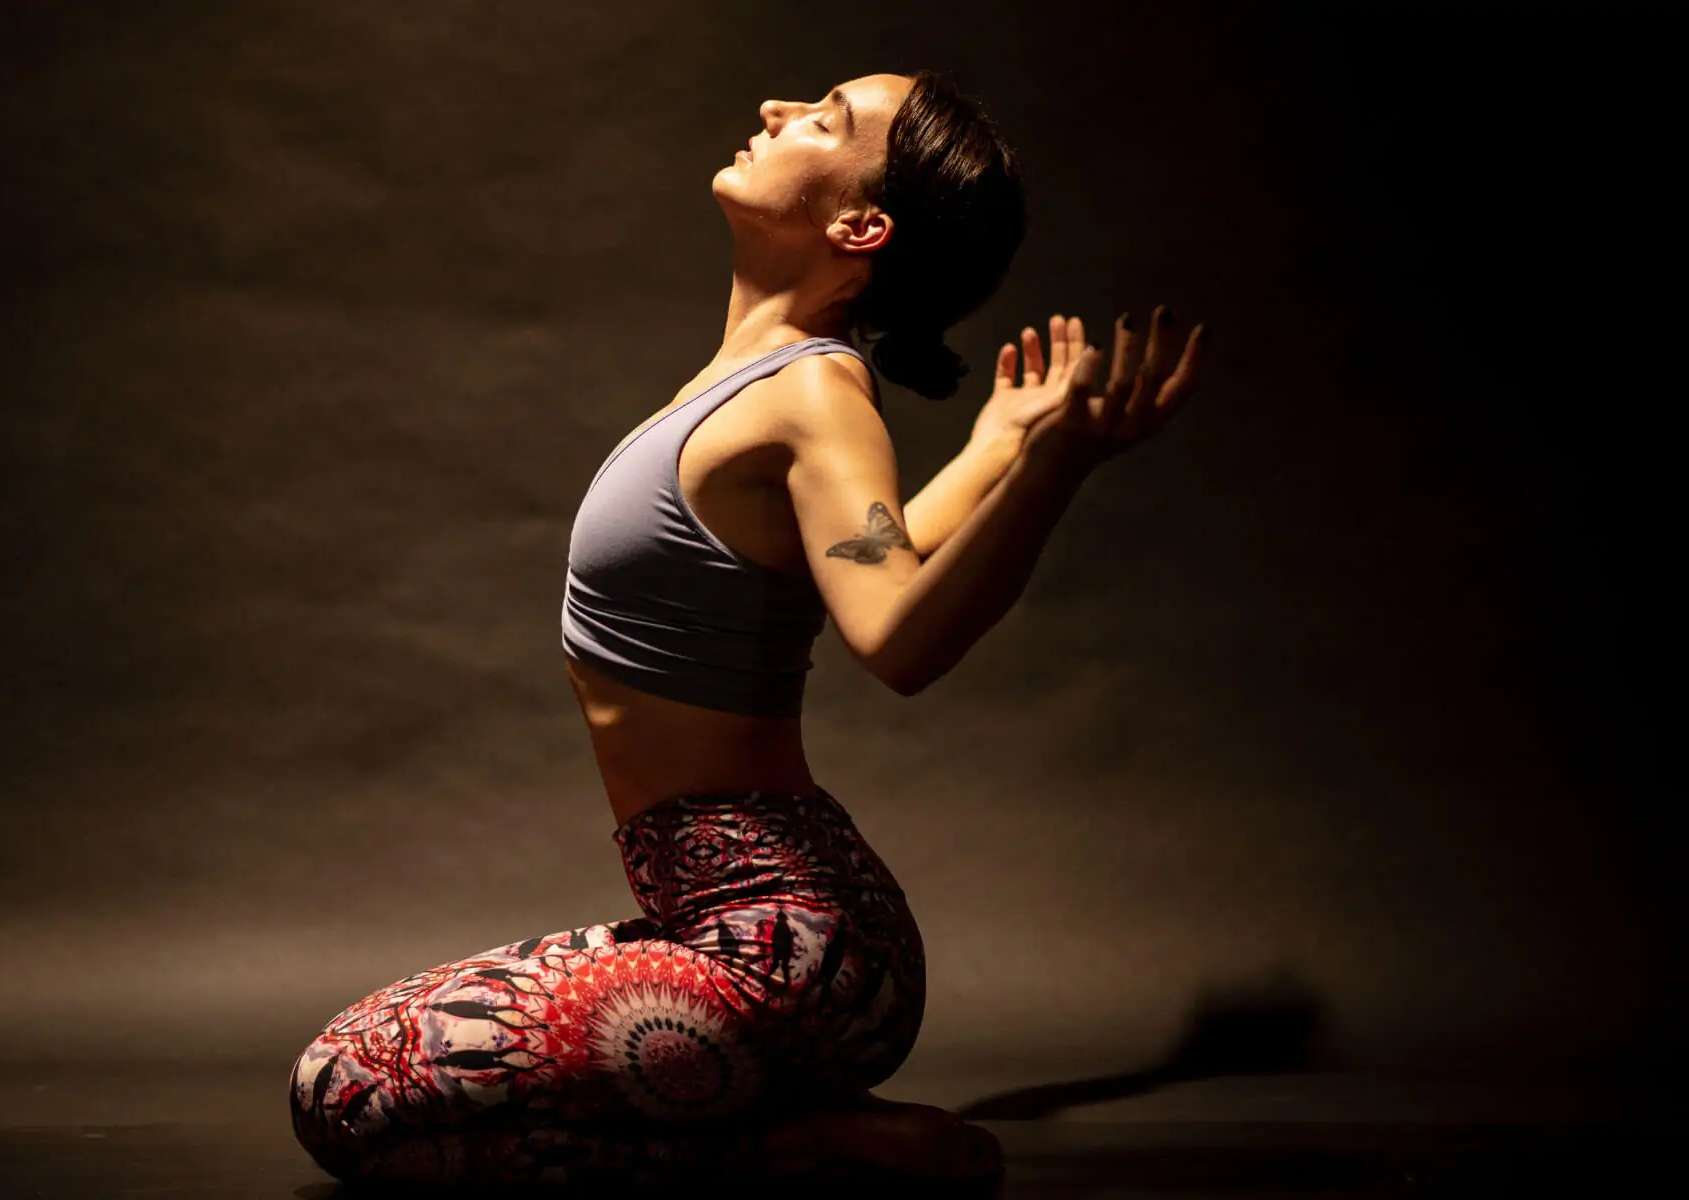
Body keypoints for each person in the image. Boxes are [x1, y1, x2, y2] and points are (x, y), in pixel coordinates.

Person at [289, 69, 1205, 1190]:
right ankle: (788, 1111)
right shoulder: (773, 386)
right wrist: (995, 448)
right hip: (737, 925)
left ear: (860, 223)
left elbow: (898, 638)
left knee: (346, 1088)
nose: (778, 109)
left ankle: (794, 1145)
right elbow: (869, 559)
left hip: (793, 948)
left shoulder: (816, 395)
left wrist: (1054, 469)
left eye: (828, 120)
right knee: (368, 1058)